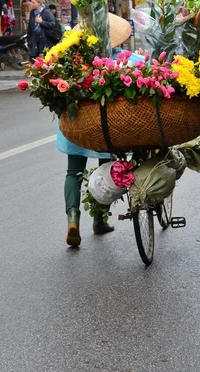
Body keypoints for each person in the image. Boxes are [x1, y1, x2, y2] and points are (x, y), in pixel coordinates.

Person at [58, 13, 134, 247]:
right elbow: (148, 67)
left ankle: (73, 219)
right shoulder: (121, 59)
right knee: (105, 169)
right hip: (106, 125)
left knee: (74, 172)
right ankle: (99, 220)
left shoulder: (72, 60)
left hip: (77, 124)